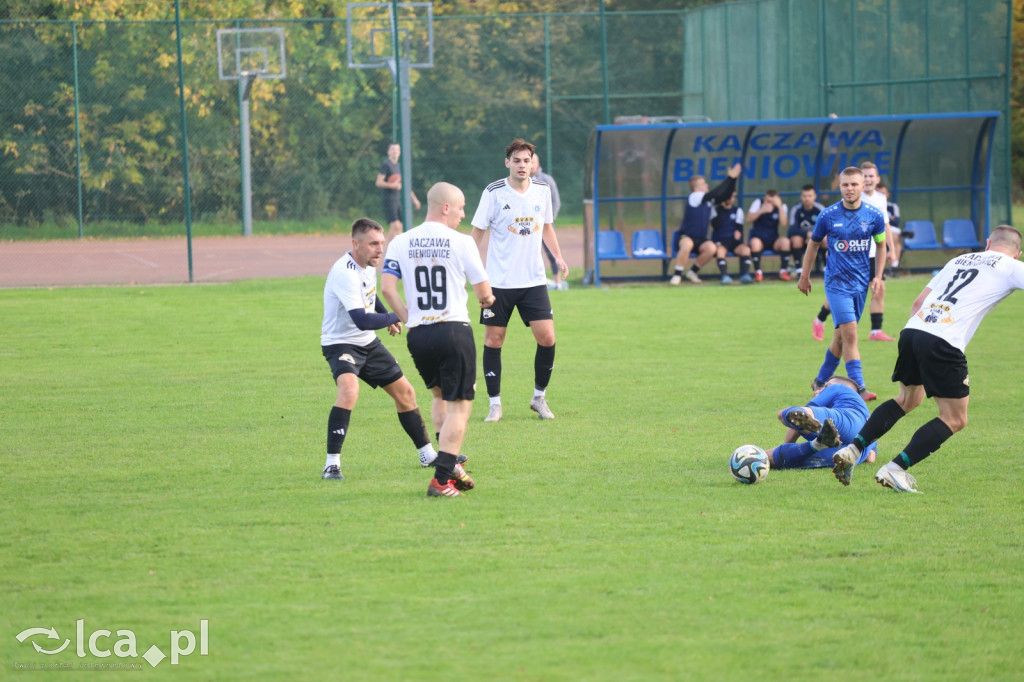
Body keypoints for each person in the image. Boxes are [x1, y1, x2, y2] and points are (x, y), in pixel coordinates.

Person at [831, 225, 1024, 493]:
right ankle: (895, 469)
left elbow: (919, 301)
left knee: (907, 400)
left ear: (988, 242)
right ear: (1018, 254)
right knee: (955, 418)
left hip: (913, 330)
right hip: (943, 341)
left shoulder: (959, 259)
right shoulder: (1012, 266)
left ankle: (853, 450)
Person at [382, 182, 495, 498]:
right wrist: (488, 300)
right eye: (460, 208)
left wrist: (410, 319)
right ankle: (441, 479)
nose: (463, 214)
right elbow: (483, 291)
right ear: (445, 207)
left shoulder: (400, 242)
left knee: (438, 396)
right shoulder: (462, 242)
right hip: (453, 330)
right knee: (461, 406)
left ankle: (451, 461)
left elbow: (388, 288)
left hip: (419, 335)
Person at [319, 218, 437, 481]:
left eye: (381, 243)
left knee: (406, 393)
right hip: (340, 343)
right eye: (373, 243)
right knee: (349, 391)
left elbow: (371, 297)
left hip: (367, 342)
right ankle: (331, 464)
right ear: (355, 243)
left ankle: (427, 454)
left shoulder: (367, 265)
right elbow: (361, 319)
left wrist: (386, 315)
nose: (379, 249)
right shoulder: (345, 272)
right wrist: (396, 317)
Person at [472, 138, 568, 422]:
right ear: (507, 163)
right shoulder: (493, 192)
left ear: (532, 163)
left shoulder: (542, 190)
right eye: (517, 160)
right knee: (494, 340)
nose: (522, 165)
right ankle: (495, 404)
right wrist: (468, 267)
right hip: (498, 282)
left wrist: (558, 257)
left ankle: (539, 398)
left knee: (547, 337)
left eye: (527, 160)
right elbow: (477, 233)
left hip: (534, 281)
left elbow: (547, 227)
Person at [797, 166, 887, 402]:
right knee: (850, 334)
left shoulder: (874, 216)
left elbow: (881, 245)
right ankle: (859, 387)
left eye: (854, 184)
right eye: (845, 185)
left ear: (863, 186)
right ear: (840, 186)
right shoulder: (828, 215)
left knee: (840, 338)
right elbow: (813, 244)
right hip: (836, 283)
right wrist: (804, 275)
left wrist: (877, 275)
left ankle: (820, 381)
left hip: (860, 284)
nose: (850, 189)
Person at [764, 376, 877, 470]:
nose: (820, 390)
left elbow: (797, 416)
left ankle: (817, 432)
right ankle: (818, 443)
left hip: (846, 419)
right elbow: (871, 458)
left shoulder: (838, 388)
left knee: (784, 414)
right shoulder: (872, 422)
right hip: (854, 451)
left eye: (826, 386)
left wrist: (787, 443)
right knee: (786, 459)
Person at [669, 162, 743, 285]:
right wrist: (729, 178)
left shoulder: (709, 200)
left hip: (700, 239)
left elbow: (725, 195)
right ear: (696, 188)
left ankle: (692, 272)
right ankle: (677, 276)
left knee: (711, 248)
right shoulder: (695, 196)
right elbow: (716, 193)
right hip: (686, 236)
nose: (707, 185)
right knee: (687, 244)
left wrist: (733, 179)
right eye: (704, 184)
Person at [859, 162, 897, 341]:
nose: (868, 179)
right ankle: (820, 319)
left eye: (871, 176)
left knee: (879, 289)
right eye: (865, 176)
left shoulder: (881, 198)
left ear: (877, 179)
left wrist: (892, 249)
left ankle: (875, 331)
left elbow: (886, 225)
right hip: (857, 253)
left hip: (875, 253)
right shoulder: (854, 198)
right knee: (851, 292)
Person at [530, 154, 566, 290]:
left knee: (551, 254)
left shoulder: (547, 180)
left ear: (538, 163)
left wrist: (549, 220)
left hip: (544, 225)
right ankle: (534, 282)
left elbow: (556, 202)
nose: (530, 164)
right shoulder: (521, 181)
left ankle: (558, 283)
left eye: (532, 161)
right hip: (527, 226)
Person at [375, 142, 421, 246]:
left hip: (399, 198)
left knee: (400, 227)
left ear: (400, 152)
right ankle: (388, 249)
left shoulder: (400, 166)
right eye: (392, 149)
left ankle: (398, 248)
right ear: (388, 152)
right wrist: (392, 185)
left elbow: (405, 185)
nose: (395, 151)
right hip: (389, 198)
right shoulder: (386, 165)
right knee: (395, 226)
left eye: (397, 149)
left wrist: (414, 199)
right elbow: (378, 182)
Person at [746, 189, 791, 281]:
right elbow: (748, 219)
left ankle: (783, 271)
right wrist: (761, 211)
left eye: (772, 201)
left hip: (773, 239)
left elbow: (783, 224)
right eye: (767, 201)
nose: (769, 203)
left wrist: (779, 207)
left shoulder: (782, 207)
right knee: (755, 242)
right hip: (759, 238)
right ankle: (758, 272)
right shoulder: (758, 203)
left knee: (785, 242)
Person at [709, 192, 753, 284]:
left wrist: (738, 233)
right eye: (728, 197)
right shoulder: (716, 210)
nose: (730, 199)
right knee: (720, 251)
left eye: (732, 197)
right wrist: (721, 208)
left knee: (746, 250)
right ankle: (725, 276)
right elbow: (716, 225)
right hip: (720, 241)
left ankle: (745, 275)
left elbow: (739, 228)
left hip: (733, 242)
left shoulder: (738, 211)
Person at [788, 185, 825, 278]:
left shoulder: (820, 208)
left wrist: (814, 236)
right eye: (804, 196)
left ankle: (826, 268)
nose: (807, 198)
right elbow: (792, 229)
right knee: (796, 240)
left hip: (817, 239)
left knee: (826, 239)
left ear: (814, 196)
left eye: (809, 196)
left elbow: (826, 227)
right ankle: (799, 270)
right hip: (802, 239)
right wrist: (807, 234)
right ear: (801, 197)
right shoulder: (796, 209)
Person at [877, 182, 902, 273]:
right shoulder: (872, 205)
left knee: (895, 237)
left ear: (887, 194)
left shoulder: (892, 206)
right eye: (879, 193)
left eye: (883, 193)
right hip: (878, 231)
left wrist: (888, 222)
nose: (882, 196)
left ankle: (894, 267)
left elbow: (896, 221)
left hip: (891, 230)